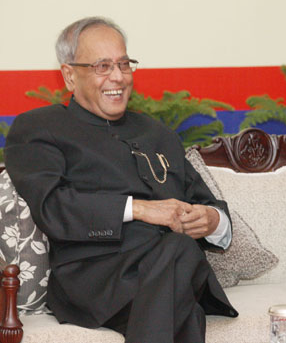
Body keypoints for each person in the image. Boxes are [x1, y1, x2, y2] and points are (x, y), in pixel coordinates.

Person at [4, 17, 237, 343]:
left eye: (124, 64)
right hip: (96, 277)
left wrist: (213, 221)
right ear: (69, 75)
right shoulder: (39, 128)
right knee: (182, 275)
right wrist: (139, 209)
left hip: (168, 268)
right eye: (102, 66)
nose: (117, 77)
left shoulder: (158, 134)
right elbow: (52, 207)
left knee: (180, 254)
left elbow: (205, 202)